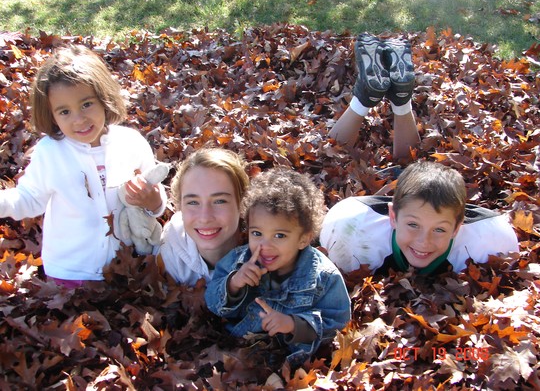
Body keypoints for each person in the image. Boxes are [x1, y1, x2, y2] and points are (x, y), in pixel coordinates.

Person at [0, 44, 167, 287]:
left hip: (127, 268)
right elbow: (29, 198)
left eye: (87, 104)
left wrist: (153, 202)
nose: (79, 119)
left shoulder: (130, 143)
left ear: (104, 98)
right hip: (71, 269)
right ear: (51, 115)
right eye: (64, 111)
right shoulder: (50, 152)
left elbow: (155, 197)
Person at [205, 168, 351, 365]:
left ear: (303, 239)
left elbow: (337, 323)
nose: (265, 245)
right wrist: (233, 284)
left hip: (288, 365)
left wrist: (294, 325)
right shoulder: (237, 262)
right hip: (235, 354)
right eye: (257, 233)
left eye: (279, 235)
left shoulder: (324, 277)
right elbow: (212, 303)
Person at [320, 161, 519, 275]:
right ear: (393, 216)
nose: (424, 242)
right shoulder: (351, 230)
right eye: (413, 225)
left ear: (457, 228)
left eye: (439, 229)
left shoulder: (492, 244)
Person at [157, 148, 250, 286]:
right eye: (193, 202)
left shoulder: (267, 250)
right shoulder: (170, 253)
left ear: (242, 203)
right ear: (179, 206)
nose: (205, 218)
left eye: (220, 201)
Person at [329, 33, 420, 161]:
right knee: (410, 166)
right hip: (413, 175)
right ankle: (402, 99)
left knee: (330, 158)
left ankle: (364, 98)